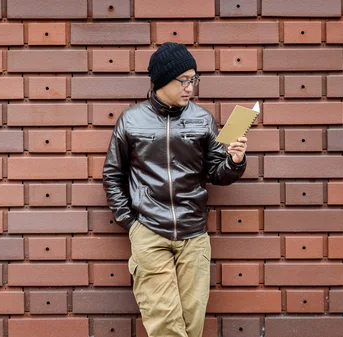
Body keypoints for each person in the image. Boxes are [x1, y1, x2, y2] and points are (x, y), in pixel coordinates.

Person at [102, 42, 248, 337]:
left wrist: (234, 160)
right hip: (149, 231)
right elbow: (112, 174)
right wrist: (132, 224)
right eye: (183, 80)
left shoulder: (202, 119)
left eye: (194, 79)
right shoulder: (131, 120)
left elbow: (216, 173)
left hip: (193, 234)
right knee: (165, 325)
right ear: (160, 81)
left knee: (192, 324)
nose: (190, 87)